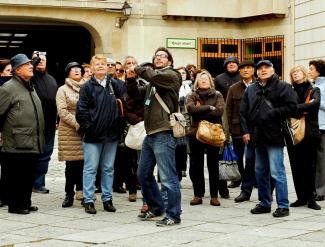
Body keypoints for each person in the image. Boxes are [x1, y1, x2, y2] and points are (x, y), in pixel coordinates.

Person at [127, 47, 182, 226]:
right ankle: (157, 207)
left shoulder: (172, 76)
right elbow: (136, 96)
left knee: (167, 177)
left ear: (170, 61)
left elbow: (153, 76)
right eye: (156, 56)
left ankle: (173, 214)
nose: (158, 58)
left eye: (162, 56)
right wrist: (130, 81)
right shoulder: (152, 83)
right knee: (143, 174)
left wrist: (137, 68)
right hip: (150, 133)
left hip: (164, 131)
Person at [240, 59, 297, 217]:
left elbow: (293, 107)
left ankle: (283, 206)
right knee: (260, 172)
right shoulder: (251, 89)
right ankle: (264, 203)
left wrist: (273, 113)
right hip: (257, 135)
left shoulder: (283, 86)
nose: (263, 70)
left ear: (273, 70)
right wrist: (245, 131)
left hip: (275, 133)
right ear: (256, 72)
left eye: (267, 67)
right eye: (260, 68)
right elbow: (243, 113)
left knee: (277, 172)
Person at [76, 55, 125, 214]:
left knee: (108, 168)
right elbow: (81, 111)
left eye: (103, 64)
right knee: (90, 168)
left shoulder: (114, 85)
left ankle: (107, 199)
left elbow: (124, 100)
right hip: (92, 135)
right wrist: (89, 127)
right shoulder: (87, 87)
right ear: (91, 68)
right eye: (96, 64)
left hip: (111, 134)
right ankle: (89, 200)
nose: (100, 66)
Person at [0, 54, 44, 214]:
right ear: (17, 69)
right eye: (27, 65)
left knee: (28, 174)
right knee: (16, 176)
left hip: (32, 139)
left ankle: (25, 201)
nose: (31, 66)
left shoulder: (29, 85)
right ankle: (15, 205)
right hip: (16, 140)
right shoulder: (8, 88)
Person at [186, 70, 225, 206]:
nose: (203, 80)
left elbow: (219, 111)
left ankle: (214, 195)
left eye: (206, 79)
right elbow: (190, 110)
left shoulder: (217, 94)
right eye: (201, 78)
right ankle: (198, 194)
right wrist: (209, 107)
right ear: (197, 81)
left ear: (210, 81)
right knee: (196, 165)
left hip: (213, 133)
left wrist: (201, 111)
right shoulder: (192, 95)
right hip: (195, 133)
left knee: (213, 164)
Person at [286, 65, 321, 210]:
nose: (295, 74)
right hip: (293, 133)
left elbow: (315, 105)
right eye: (293, 73)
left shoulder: (314, 89)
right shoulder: (289, 90)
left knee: (309, 166)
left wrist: (297, 108)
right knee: (296, 166)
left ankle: (311, 199)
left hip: (309, 133)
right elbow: (287, 107)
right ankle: (301, 198)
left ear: (304, 74)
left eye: (298, 72)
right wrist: (304, 107)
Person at [226, 60, 256, 202]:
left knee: (252, 158)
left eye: (248, 68)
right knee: (238, 156)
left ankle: (251, 180)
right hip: (237, 128)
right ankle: (241, 178)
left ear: (253, 70)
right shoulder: (234, 88)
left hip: (256, 129)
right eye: (243, 68)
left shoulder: (259, 85)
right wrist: (228, 130)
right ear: (239, 71)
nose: (245, 70)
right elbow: (228, 110)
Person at [56, 62, 86, 207]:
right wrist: (77, 123)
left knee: (86, 163)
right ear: (68, 73)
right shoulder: (62, 90)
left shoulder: (88, 87)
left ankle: (83, 191)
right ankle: (69, 194)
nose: (77, 70)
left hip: (87, 130)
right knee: (71, 164)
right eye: (73, 69)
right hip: (69, 131)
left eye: (79, 69)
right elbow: (62, 111)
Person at [31, 51, 58, 194]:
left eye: (43, 60)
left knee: (46, 155)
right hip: (33, 124)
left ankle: (39, 183)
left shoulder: (52, 79)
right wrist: (33, 62)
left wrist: (57, 120)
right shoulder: (28, 77)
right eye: (38, 60)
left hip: (49, 124)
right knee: (32, 155)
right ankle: (28, 182)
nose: (40, 62)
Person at [214, 56, 241, 195]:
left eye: (234, 63)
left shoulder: (242, 76)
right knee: (226, 151)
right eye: (229, 63)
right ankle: (229, 180)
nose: (231, 65)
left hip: (241, 117)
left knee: (243, 152)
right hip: (224, 116)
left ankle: (243, 176)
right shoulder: (219, 79)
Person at [309, 59, 325, 201]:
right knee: (315, 159)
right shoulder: (314, 85)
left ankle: (320, 191)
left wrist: (315, 102)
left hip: (322, 127)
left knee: (321, 160)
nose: (309, 72)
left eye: (312, 69)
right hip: (314, 126)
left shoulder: (323, 85)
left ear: (319, 71)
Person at [175, 66, 192, 180]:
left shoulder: (191, 88)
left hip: (189, 122)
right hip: (176, 122)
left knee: (189, 150)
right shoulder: (173, 87)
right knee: (178, 150)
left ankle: (187, 171)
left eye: (183, 73)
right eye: (179, 73)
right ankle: (178, 175)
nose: (181, 75)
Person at [0, 58, 12, 208]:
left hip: (8, 131)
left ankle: (5, 195)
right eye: (8, 71)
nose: (11, 74)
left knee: (7, 165)